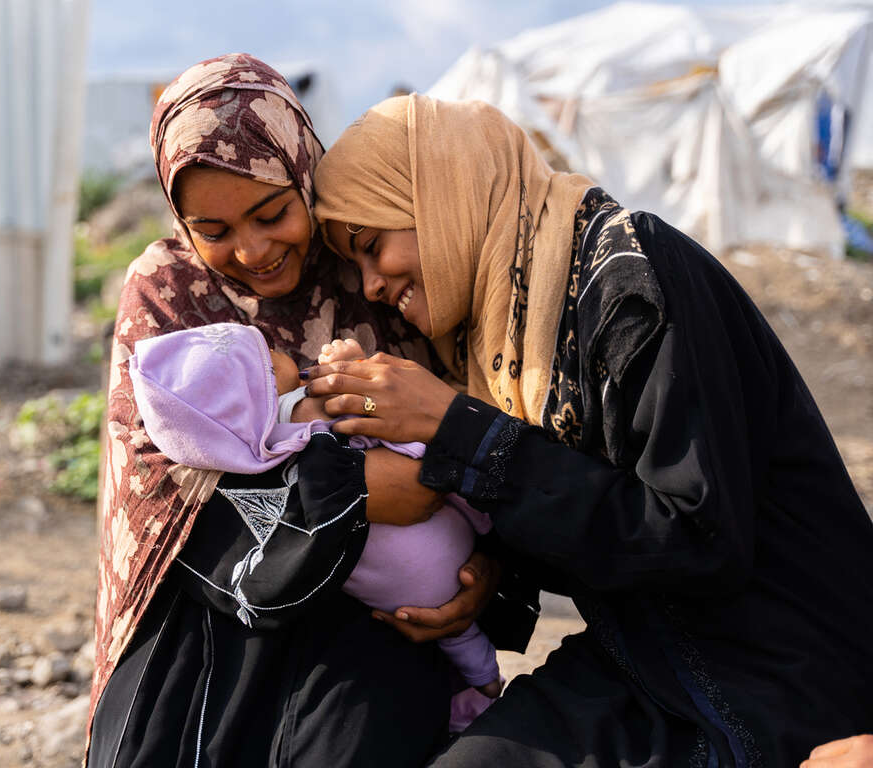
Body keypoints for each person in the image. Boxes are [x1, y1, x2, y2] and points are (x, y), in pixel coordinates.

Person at [302, 93, 873, 766]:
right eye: (354, 267)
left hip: (778, 670)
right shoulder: (496, 337)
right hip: (647, 659)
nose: (370, 285)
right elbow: (579, 520)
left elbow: (697, 540)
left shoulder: (630, 278)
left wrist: (461, 431)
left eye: (372, 246)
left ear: (443, 194)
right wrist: (486, 575)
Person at [87, 56, 525, 768]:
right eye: (215, 230)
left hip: (383, 620)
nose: (254, 250)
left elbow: (484, 423)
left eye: (273, 213)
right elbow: (162, 493)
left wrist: (485, 574)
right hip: (218, 611)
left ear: (305, 174)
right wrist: (354, 492)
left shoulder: (369, 260)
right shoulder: (169, 295)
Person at [127, 325, 502, 706]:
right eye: (268, 354)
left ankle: (478, 686)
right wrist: (351, 364)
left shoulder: (263, 450)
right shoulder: (304, 405)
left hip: (401, 593)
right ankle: (485, 680)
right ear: (264, 383)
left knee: (456, 645)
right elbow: (374, 411)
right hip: (448, 544)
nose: (279, 351)